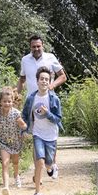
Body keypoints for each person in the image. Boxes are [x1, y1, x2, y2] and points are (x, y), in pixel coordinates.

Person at [17, 34, 66, 179]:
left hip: (47, 101)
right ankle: (36, 173)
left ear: (42, 46)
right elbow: (22, 79)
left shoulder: (50, 57)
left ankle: (52, 163)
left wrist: (51, 85)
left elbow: (62, 76)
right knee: (35, 134)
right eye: (33, 47)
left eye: (38, 46)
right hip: (32, 102)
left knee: (51, 131)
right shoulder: (25, 60)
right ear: (30, 47)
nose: (36, 49)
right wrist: (17, 95)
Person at [22, 67, 62, 195]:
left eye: (46, 79)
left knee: (48, 164)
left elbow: (58, 119)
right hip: (37, 134)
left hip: (51, 135)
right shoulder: (31, 98)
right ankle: (37, 193)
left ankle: (52, 168)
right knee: (39, 162)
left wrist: (47, 114)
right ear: (37, 81)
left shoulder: (54, 99)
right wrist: (24, 130)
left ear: (49, 82)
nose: (44, 81)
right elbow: (25, 115)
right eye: (42, 79)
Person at [0, 87, 27, 195]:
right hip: (4, 142)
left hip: (15, 141)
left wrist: (23, 127)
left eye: (9, 101)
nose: (7, 103)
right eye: (4, 101)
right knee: (5, 163)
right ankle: (6, 187)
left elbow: (24, 125)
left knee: (15, 162)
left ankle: (16, 175)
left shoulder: (16, 113)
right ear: (0, 102)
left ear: (12, 102)